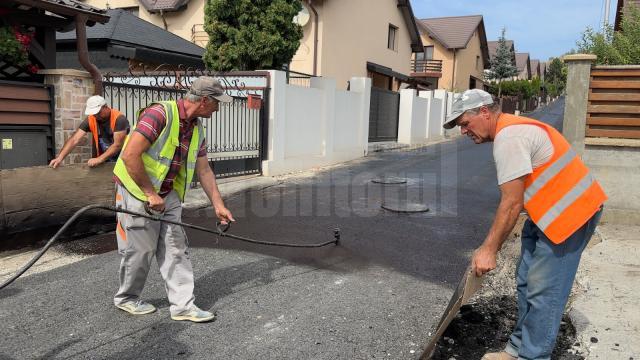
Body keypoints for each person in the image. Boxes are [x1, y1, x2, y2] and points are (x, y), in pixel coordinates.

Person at [442, 89, 607, 360]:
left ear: (484, 112)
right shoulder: (510, 130)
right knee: (526, 282)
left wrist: (488, 249)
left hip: (571, 217)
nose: (463, 131)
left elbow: (511, 203)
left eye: (464, 123)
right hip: (546, 216)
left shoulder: (510, 137)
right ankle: (517, 349)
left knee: (544, 292)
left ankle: (533, 356)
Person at [112, 76, 235, 323]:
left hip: (168, 194)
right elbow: (130, 155)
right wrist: (149, 193)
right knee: (141, 249)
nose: (218, 108)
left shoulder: (196, 127)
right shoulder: (160, 114)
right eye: (216, 103)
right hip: (137, 190)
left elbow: (204, 170)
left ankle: (183, 306)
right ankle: (127, 298)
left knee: (176, 247)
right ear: (203, 101)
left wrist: (218, 204)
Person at [49, 95, 129, 168]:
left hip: (123, 162)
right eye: (94, 114)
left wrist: (99, 159)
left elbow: (117, 145)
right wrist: (60, 158)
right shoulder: (92, 119)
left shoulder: (119, 119)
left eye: (98, 113)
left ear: (105, 107)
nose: (96, 116)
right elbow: (74, 139)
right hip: (106, 163)